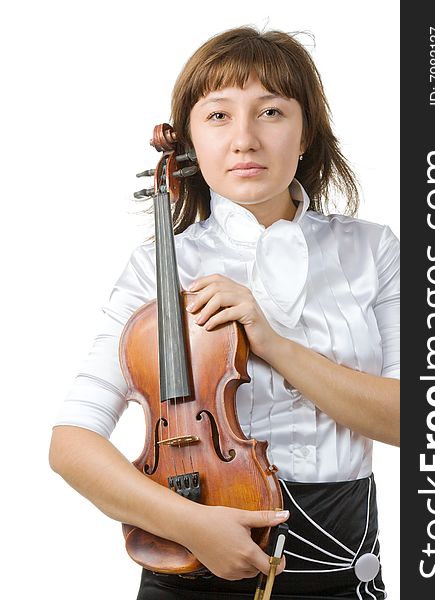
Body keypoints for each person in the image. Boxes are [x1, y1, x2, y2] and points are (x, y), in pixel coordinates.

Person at [49, 26, 399, 600]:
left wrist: (272, 342)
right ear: (188, 138)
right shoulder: (157, 268)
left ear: (306, 131)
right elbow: (71, 443)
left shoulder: (373, 250)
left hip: (343, 565)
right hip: (189, 560)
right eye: (218, 116)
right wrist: (192, 525)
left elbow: (423, 421)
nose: (245, 140)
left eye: (271, 112)